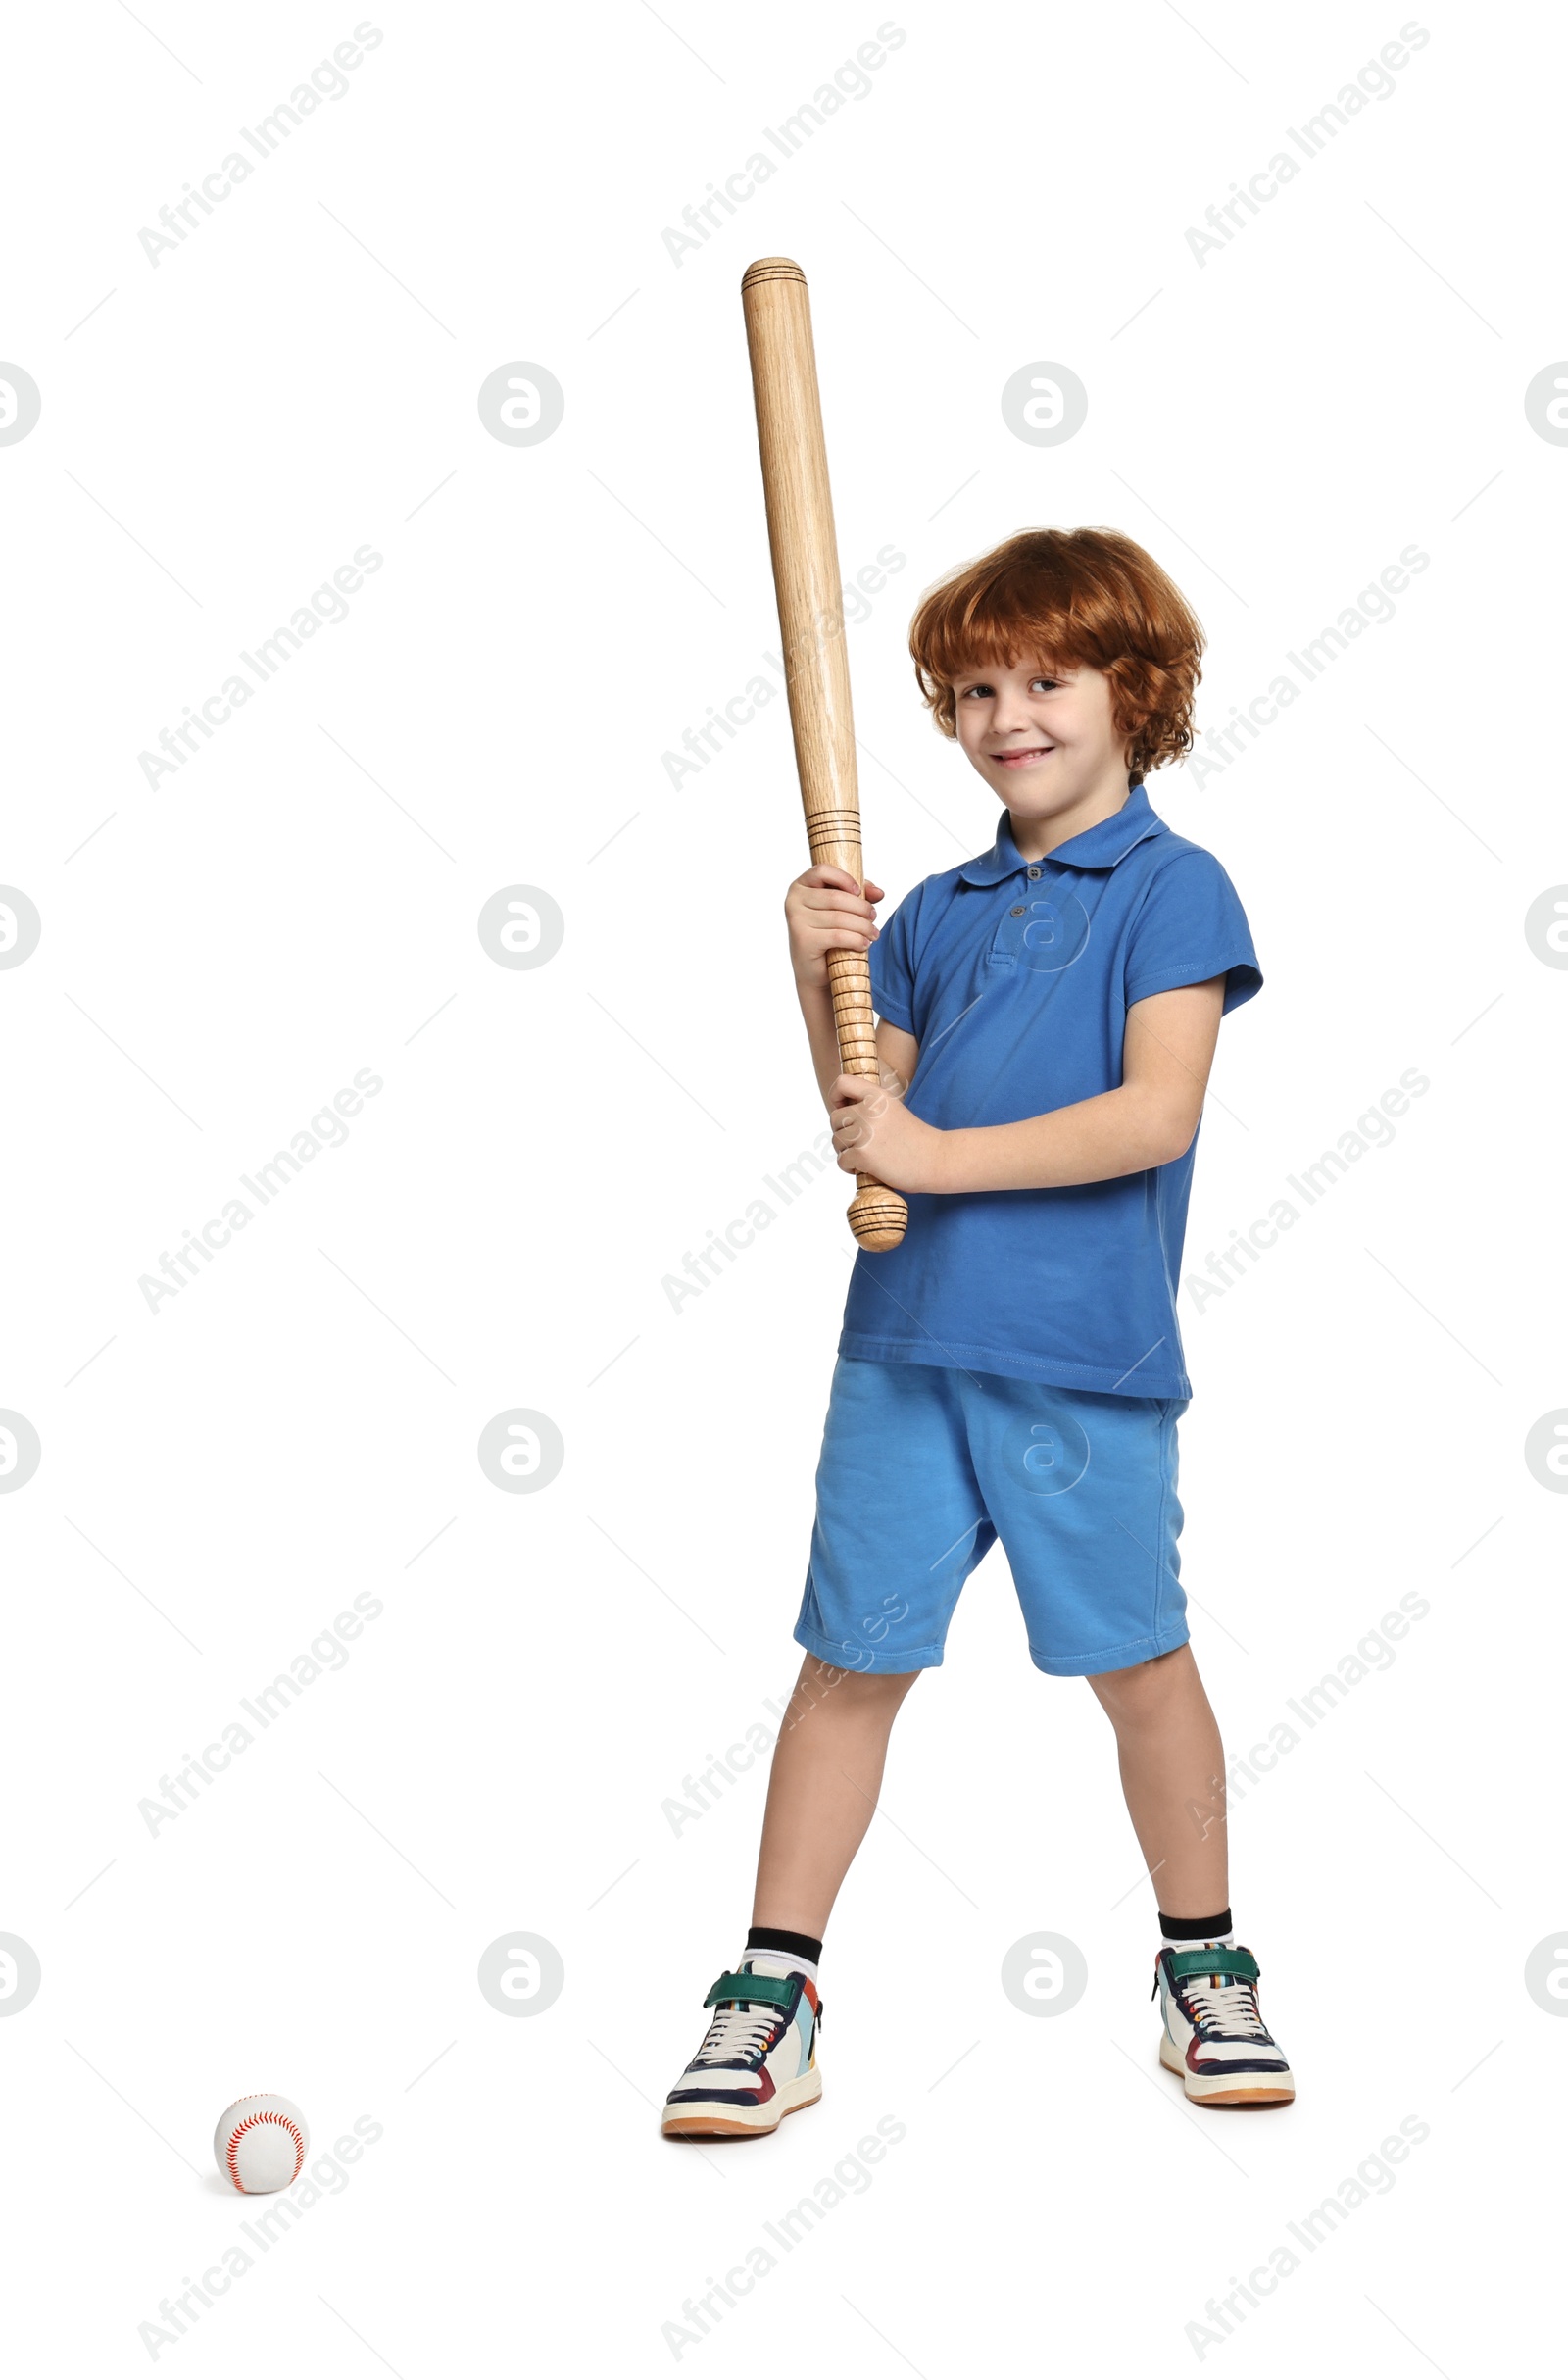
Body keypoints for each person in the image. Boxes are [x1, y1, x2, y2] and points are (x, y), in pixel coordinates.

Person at [662, 527, 1293, 2138]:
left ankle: (1204, 1964)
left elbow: (1154, 1114)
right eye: (976, 688)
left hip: (1082, 1360)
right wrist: (819, 977)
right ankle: (772, 1993)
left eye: (1048, 679)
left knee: (1140, 1666)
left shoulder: (1174, 888)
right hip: (906, 1345)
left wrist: (930, 1156)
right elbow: (874, 1121)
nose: (1008, 713)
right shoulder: (933, 908)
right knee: (847, 1664)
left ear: (1136, 694)